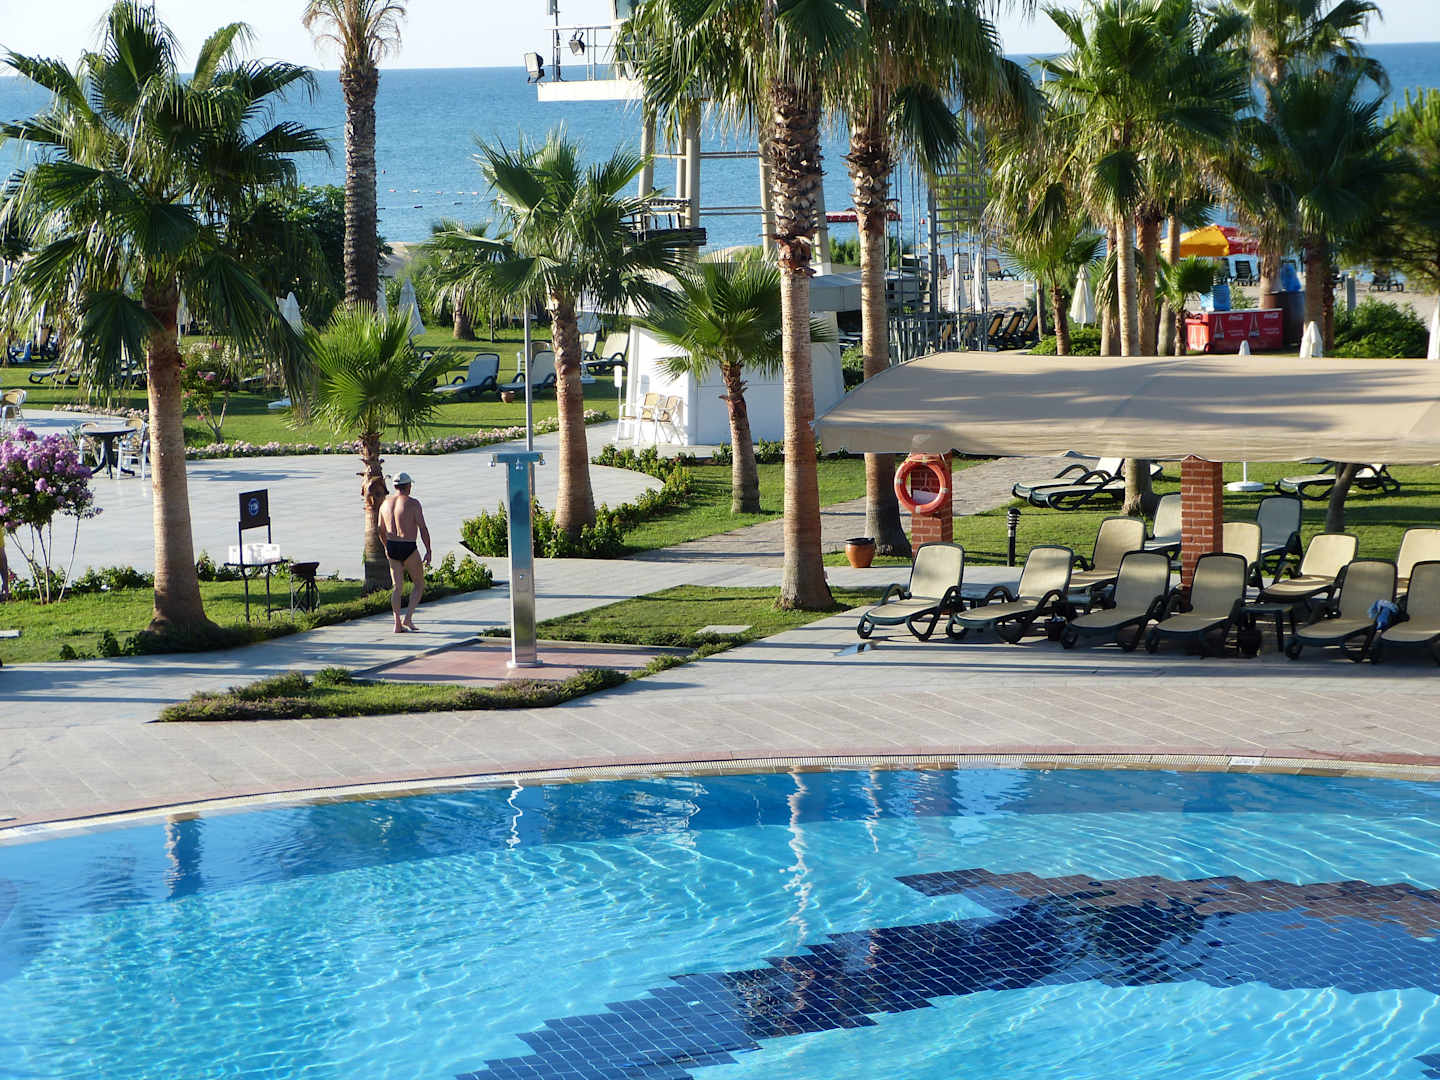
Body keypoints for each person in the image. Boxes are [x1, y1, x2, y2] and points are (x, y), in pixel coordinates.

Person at [378, 471, 432, 633]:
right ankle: (407, 618)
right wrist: (428, 550)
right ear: (408, 486)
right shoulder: (413, 503)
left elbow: (380, 529)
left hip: (392, 546)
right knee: (419, 584)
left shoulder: (385, 504)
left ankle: (397, 623)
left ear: (395, 487)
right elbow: (422, 528)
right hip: (408, 546)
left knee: (397, 587)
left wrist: (386, 546)